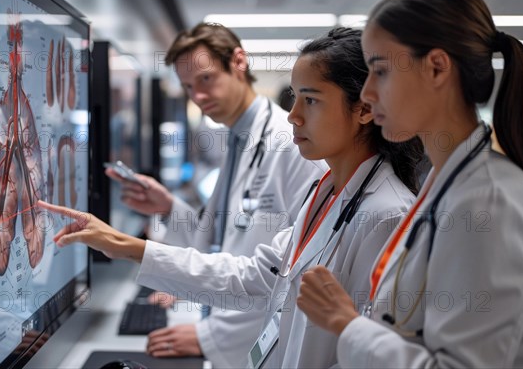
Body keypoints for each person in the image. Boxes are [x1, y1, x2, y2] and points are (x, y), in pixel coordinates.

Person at [38, 27, 424, 368]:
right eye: (295, 99)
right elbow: (255, 273)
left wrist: (211, 336)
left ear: (364, 109)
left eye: (311, 99)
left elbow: (374, 352)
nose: (293, 116)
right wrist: (130, 242)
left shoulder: (385, 213)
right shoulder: (324, 193)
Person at [296, 0, 523, 368]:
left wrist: (345, 325)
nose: (366, 93)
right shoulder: (450, 182)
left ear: (436, 68)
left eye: (380, 71)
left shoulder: (488, 199)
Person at [105, 23, 323, 367]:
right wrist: (169, 207)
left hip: (261, 346)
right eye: (189, 87)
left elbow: (282, 278)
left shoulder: (291, 145)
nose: (198, 96)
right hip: (228, 324)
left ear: (238, 61)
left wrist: (211, 337)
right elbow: (222, 241)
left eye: (205, 79)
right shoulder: (235, 140)